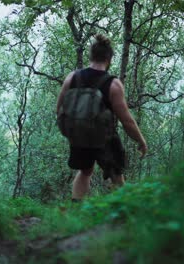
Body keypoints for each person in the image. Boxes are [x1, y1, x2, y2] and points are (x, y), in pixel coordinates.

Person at [56, 34, 147, 201]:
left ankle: (76, 211)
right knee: (116, 174)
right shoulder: (113, 84)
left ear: (90, 56)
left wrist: (74, 130)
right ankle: (121, 212)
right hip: (104, 138)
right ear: (109, 58)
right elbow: (127, 121)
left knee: (85, 171)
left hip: (78, 136)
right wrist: (141, 141)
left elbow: (59, 109)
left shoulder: (72, 77)